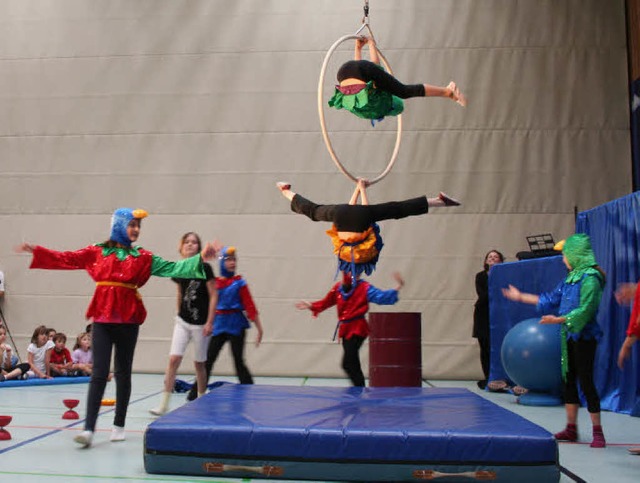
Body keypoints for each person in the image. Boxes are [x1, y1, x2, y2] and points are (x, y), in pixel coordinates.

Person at [15, 207, 219, 448]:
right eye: (131, 224)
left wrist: (200, 258)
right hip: (102, 318)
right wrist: (39, 251)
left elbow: (173, 268)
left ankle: (118, 424)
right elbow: (68, 258)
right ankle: (89, 429)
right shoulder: (97, 251)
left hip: (128, 319)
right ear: (119, 225)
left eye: (138, 226)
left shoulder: (143, 257)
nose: (135, 230)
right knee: (99, 372)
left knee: (123, 372)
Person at [502, 234, 606, 448]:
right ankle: (571, 428)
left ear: (576, 254)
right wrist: (521, 296)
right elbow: (549, 299)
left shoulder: (591, 277)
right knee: (568, 379)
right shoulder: (569, 278)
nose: (562, 259)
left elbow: (586, 309)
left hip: (584, 337)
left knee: (585, 381)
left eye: (565, 255)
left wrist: (558, 319)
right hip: (567, 334)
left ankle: (598, 431)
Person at [277, 179, 460, 278]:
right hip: (342, 215)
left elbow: (363, 214)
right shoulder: (346, 252)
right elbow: (351, 212)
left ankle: (439, 202)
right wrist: (358, 188)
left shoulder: (364, 254)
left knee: (397, 209)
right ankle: (286, 191)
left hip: (352, 217)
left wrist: (362, 188)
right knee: (314, 211)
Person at [296, 270, 404, 386]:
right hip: (346, 329)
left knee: (348, 363)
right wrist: (311, 305)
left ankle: (359, 390)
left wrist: (398, 287)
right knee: (351, 363)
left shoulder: (364, 287)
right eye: (351, 272)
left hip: (357, 328)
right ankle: (359, 390)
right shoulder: (338, 288)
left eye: (357, 273)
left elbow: (381, 297)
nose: (354, 275)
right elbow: (325, 303)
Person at [150, 232, 218, 416]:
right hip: (183, 321)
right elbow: (180, 292)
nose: (190, 245)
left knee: (199, 364)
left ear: (199, 247)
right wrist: (178, 313)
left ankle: (202, 400)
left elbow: (214, 295)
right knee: (173, 359)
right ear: (181, 247)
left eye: (194, 242)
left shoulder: (205, 268)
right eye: (186, 242)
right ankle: (164, 403)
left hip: (201, 324)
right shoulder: (179, 269)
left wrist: (210, 321)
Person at [185, 246, 263, 402]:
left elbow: (250, 306)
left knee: (238, 361)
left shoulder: (239, 283)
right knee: (208, 360)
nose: (232, 263)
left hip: (236, 325)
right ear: (221, 262)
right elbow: (207, 304)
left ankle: (250, 390)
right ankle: (195, 393)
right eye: (228, 260)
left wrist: (259, 329)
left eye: (234, 259)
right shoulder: (215, 283)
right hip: (219, 325)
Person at [328, 36, 466, 123]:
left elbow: (372, 70)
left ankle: (448, 92)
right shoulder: (369, 107)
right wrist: (360, 48)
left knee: (403, 91)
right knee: (395, 89)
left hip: (357, 74)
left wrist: (371, 44)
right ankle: (448, 91)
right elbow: (359, 80)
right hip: (343, 74)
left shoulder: (380, 104)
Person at [473, 250, 505, 390]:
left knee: (498, 346)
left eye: (495, 257)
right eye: (489, 257)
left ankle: (501, 377)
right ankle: (488, 377)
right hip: (483, 313)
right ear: (486, 261)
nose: (492, 258)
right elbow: (483, 296)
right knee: (485, 347)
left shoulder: (505, 276)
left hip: (499, 314)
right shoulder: (480, 276)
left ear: (500, 261)